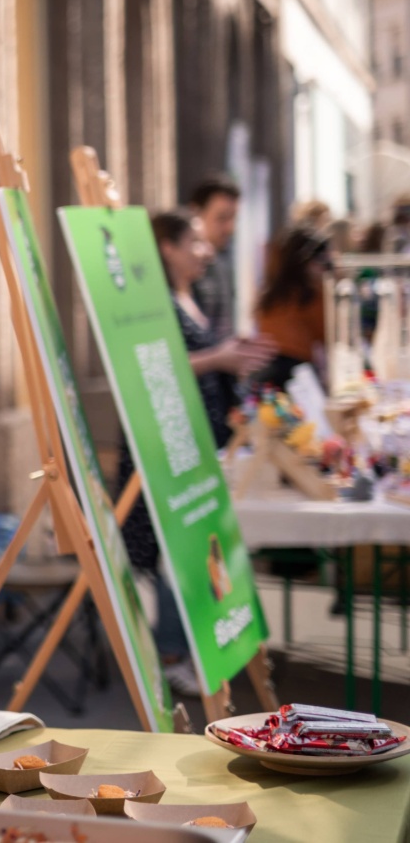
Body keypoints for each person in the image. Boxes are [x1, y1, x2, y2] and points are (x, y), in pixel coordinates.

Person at [114, 211, 273, 696]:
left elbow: (193, 354)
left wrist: (230, 351)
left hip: (191, 442)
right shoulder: (153, 301)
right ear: (167, 247)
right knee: (167, 546)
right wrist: (221, 357)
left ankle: (186, 649)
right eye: (195, 242)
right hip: (161, 443)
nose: (206, 251)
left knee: (188, 544)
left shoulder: (194, 294)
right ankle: (171, 655)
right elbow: (149, 365)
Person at [252, 225, 333, 390]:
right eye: (322, 262)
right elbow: (328, 336)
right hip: (297, 373)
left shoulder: (269, 293)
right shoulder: (310, 294)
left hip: (264, 371)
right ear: (307, 263)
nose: (324, 269)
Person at [188, 175, 243, 343]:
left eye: (233, 218)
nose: (230, 228)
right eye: (222, 218)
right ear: (196, 213)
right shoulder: (182, 266)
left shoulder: (222, 259)